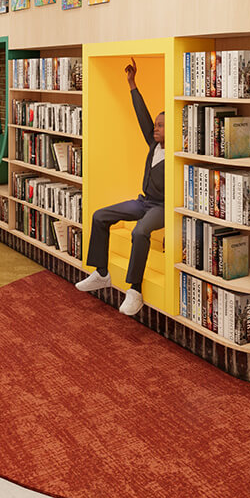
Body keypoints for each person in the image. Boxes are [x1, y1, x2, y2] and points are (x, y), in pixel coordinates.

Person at [74, 59, 162, 317]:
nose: (155, 128)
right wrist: (132, 84)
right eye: (155, 125)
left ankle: (134, 290)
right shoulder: (153, 144)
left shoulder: (178, 153)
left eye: (160, 126)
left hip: (162, 207)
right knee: (100, 216)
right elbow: (142, 115)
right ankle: (101, 273)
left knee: (140, 233)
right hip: (144, 201)